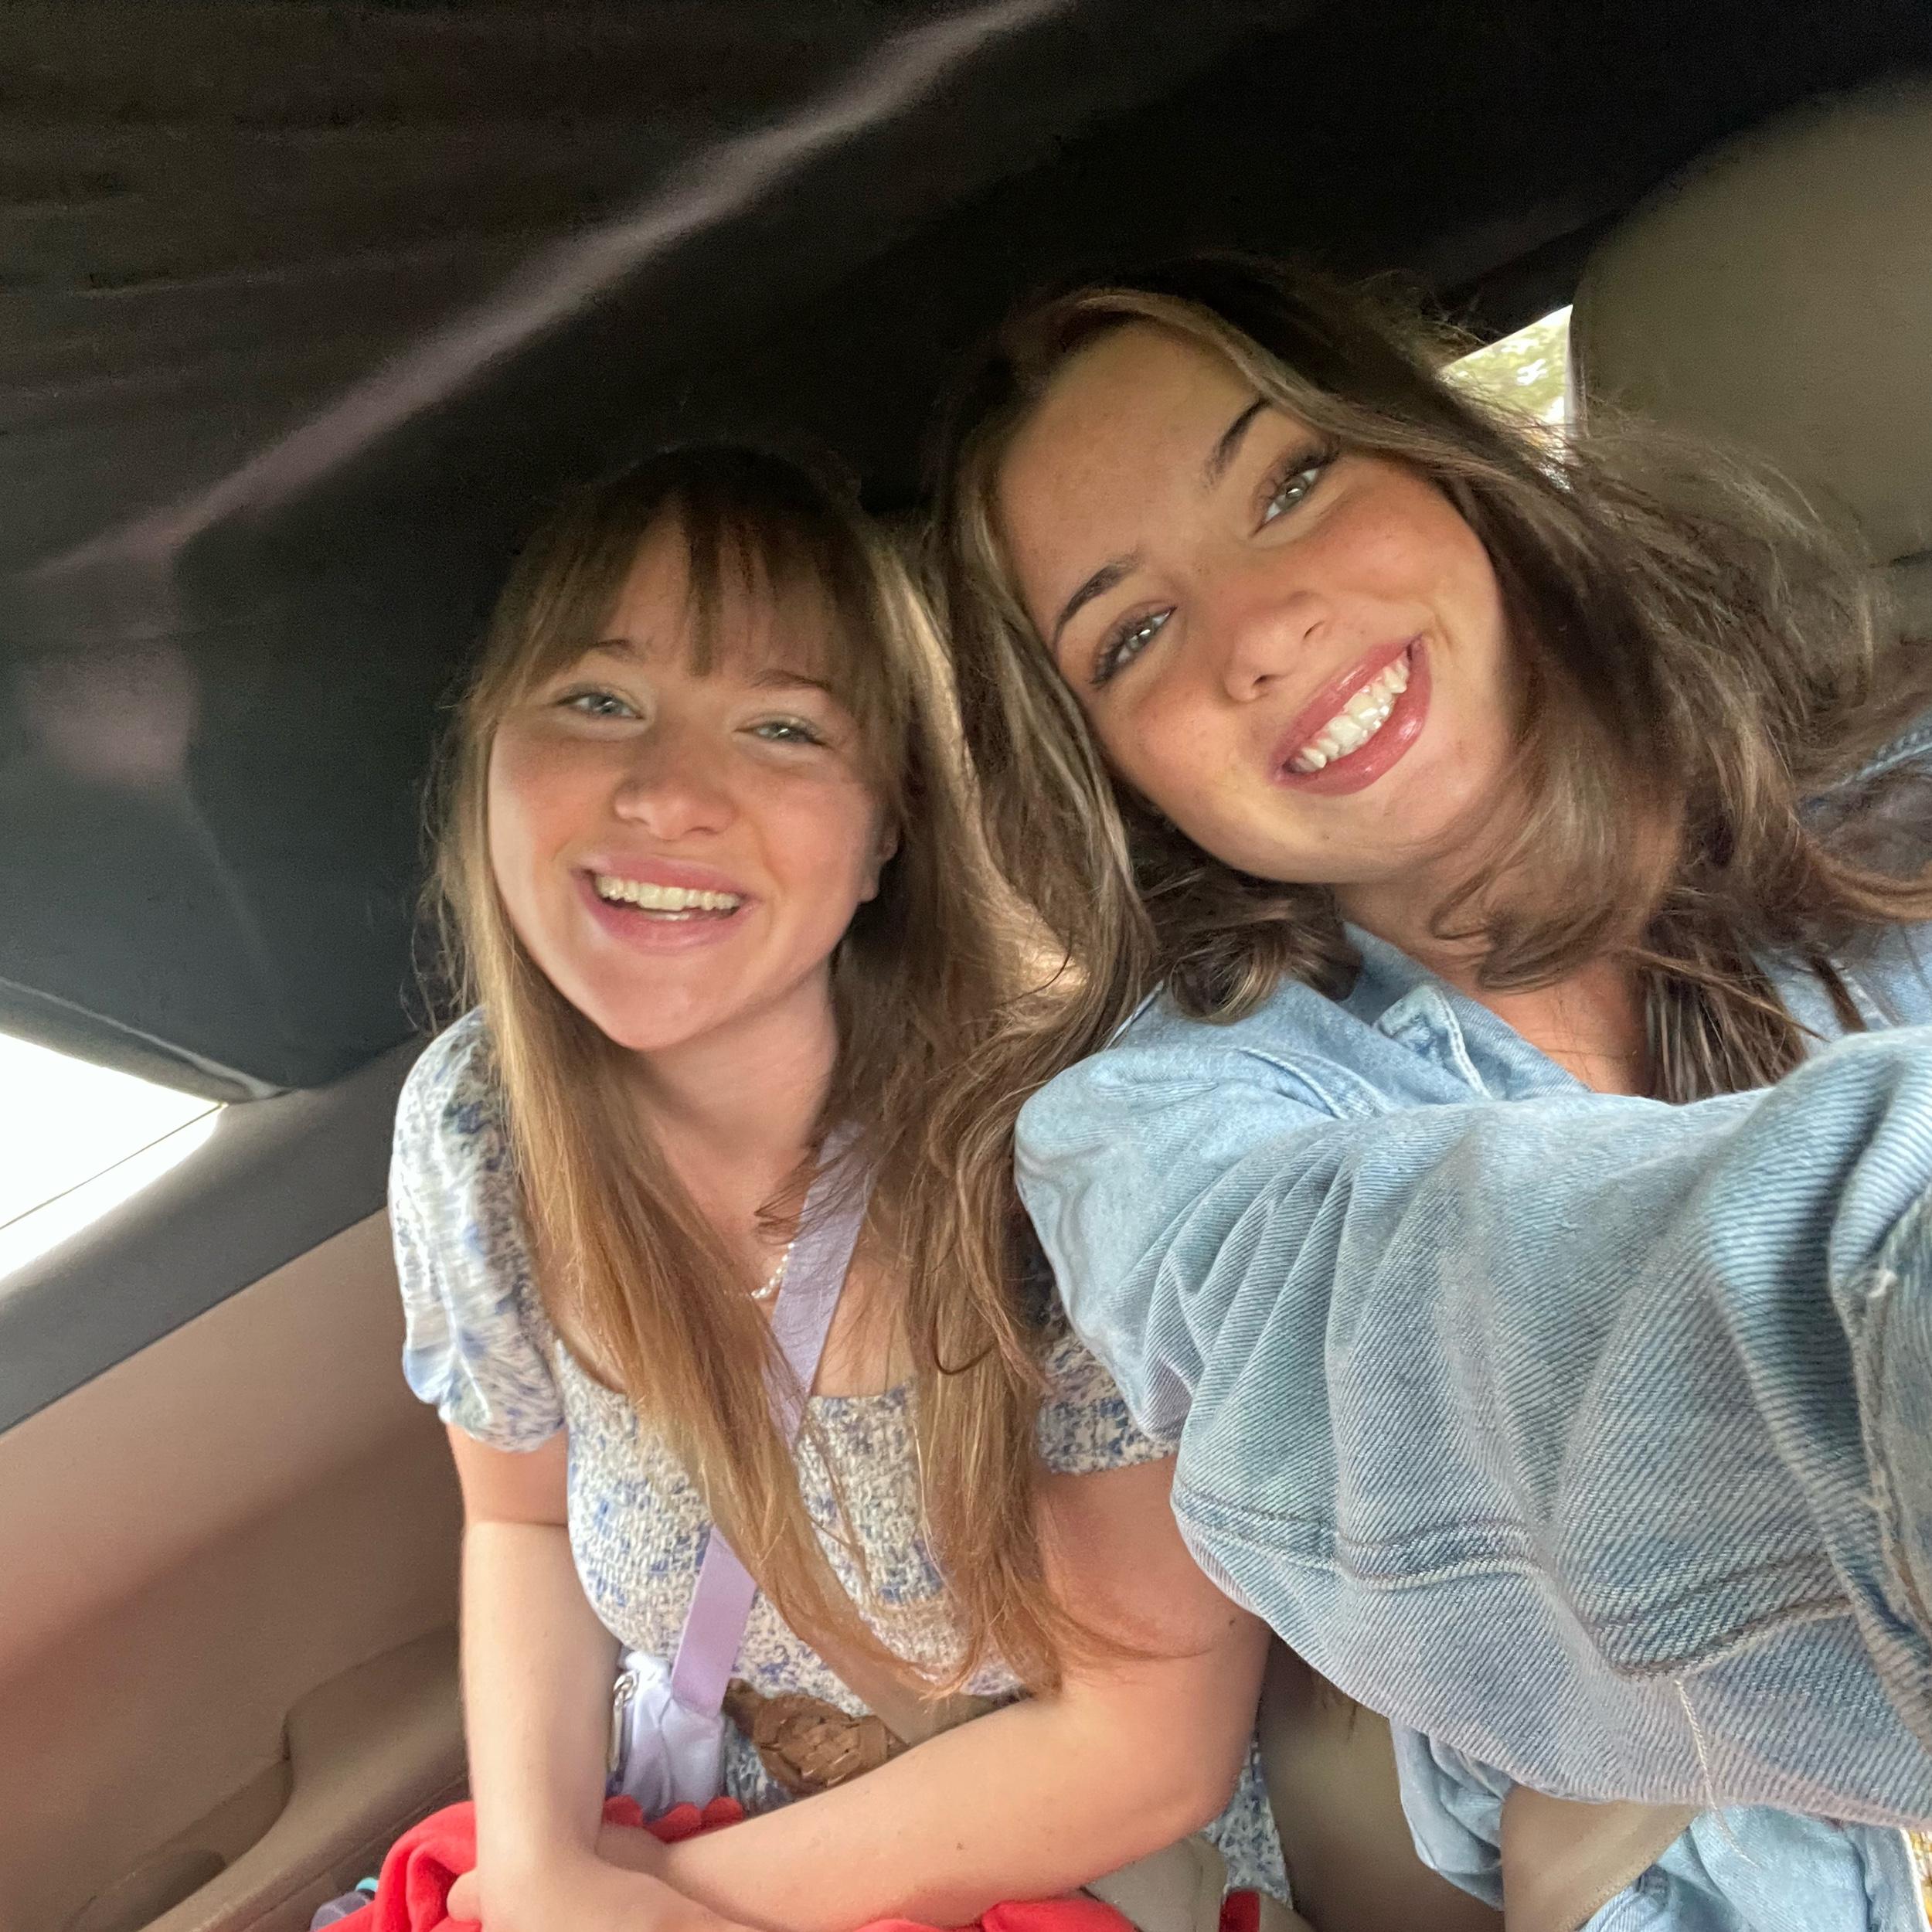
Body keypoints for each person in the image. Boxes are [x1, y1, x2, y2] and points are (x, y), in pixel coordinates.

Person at [930, 257, 1932, 1923]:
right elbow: (1359, 1351)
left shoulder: (1896, 785)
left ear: (1446, 465)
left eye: (1291, 482)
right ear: (1107, 774)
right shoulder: (1159, 1129)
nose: (1265, 632)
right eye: (1134, 633)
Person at [388, 445, 1287, 1932]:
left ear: (889, 831)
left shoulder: (1059, 1144)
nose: (666, 794)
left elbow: (1147, 1748)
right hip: (684, 1811)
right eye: (598, 701)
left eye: (782, 727)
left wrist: (652, 1906)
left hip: (1049, 1874)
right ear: (490, 753)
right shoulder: (479, 1128)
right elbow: (523, 1527)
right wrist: (543, 1872)